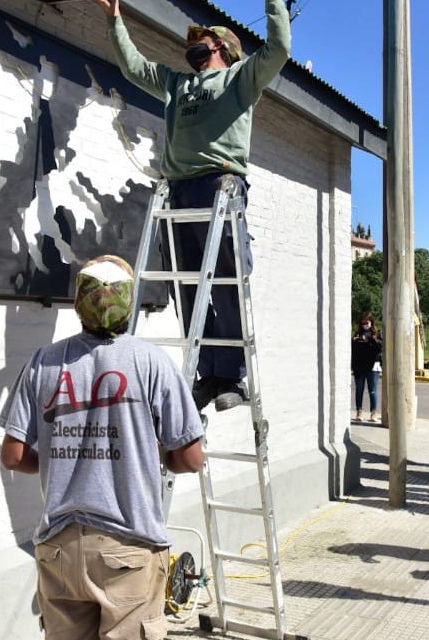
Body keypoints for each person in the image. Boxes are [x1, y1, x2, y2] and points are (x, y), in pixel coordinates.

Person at [0, 255, 206, 639]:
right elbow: (191, 459)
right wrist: (154, 453)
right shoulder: (152, 362)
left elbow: (13, 456)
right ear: (129, 303)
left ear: (79, 302)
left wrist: (63, 457)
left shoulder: (44, 362)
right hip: (127, 547)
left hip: (58, 548)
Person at [98, 0, 291, 412]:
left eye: (201, 43)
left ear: (221, 48)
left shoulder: (241, 79)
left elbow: (278, 50)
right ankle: (207, 373)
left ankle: (231, 376)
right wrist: (114, 19)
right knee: (186, 286)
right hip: (178, 189)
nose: (193, 50)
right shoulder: (178, 85)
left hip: (219, 185)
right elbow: (135, 68)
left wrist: (275, 5)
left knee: (223, 281)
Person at [351, 313, 384, 423]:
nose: (365, 325)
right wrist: (356, 340)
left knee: (373, 390)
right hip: (360, 366)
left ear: (371, 322)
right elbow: (353, 349)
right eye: (363, 323)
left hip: (374, 366)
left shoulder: (377, 334)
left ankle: (373, 414)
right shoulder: (357, 334)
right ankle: (359, 413)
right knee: (359, 390)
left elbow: (380, 348)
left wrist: (370, 339)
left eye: (367, 322)